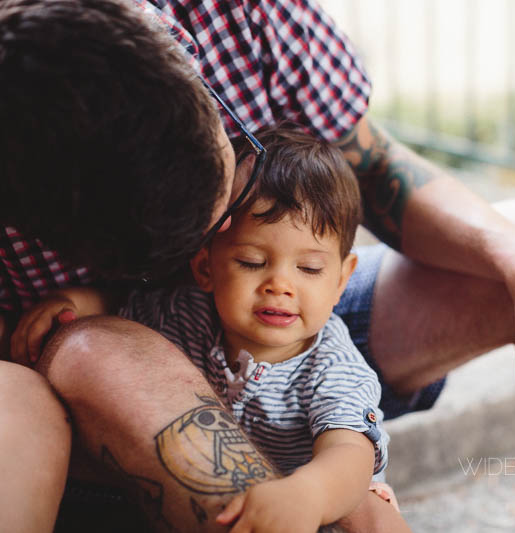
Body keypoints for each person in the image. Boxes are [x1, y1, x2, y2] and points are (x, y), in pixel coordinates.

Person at [0, 0, 515, 531]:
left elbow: (377, 167)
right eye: (215, 244)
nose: (221, 235)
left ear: (181, 58)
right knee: (91, 353)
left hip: (293, 353)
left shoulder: (230, 14)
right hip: (101, 402)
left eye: (232, 188)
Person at [14, 126, 410, 532]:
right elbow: (120, 307)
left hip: (316, 501)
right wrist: (73, 304)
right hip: (204, 504)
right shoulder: (184, 314)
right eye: (252, 262)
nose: (280, 285)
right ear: (205, 267)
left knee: (372, 512)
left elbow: (350, 452)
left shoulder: (334, 366)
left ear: (342, 280)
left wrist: (310, 493)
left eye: (309, 269)